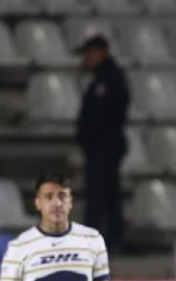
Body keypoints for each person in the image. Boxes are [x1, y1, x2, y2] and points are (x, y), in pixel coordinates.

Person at [75, 35, 129, 252]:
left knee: (101, 195)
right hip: (102, 146)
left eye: (89, 54)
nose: (86, 59)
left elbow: (104, 116)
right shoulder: (104, 78)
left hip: (104, 146)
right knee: (105, 194)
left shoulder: (109, 79)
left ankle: (100, 239)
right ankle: (109, 238)